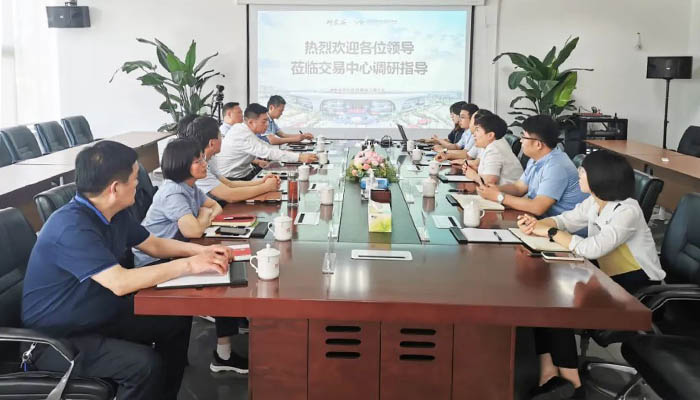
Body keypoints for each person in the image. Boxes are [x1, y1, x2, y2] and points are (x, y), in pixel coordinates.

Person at [21, 140, 234, 400]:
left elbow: (154, 245)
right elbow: (120, 282)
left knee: (175, 317)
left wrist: (200, 252)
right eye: (134, 179)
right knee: (144, 365)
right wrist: (188, 265)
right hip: (58, 338)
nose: (139, 184)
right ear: (115, 188)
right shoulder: (71, 227)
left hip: (98, 314)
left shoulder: (113, 213)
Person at [517, 150, 666, 400]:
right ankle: (548, 375)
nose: (579, 174)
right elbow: (566, 220)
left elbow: (592, 248)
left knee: (557, 307)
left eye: (583, 171)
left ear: (600, 177)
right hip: (607, 277)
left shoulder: (627, 211)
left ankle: (573, 387)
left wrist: (551, 233)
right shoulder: (595, 202)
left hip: (636, 288)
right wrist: (539, 225)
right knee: (541, 296)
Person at [134, 137, 250, 374]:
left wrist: (202, 216)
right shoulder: (172, 193)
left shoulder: (190, 186)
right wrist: (203, 216)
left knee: (222, 264)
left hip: (178, 249)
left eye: (202, 159)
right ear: (181, 165)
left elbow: (215, 207)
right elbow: (194, 230)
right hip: (153, 261)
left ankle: (227, 340)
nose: (204, 163)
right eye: (198, 161)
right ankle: (223, 355)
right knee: (219, 273)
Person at [477, 115, 588, 217]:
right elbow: (519, 188)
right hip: (541, 220)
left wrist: (499, 196)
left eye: (524, 137)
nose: (521, 141)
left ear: (538, 144)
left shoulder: (556, 166)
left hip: (561, 227)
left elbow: (537, 207)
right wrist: (495, 189)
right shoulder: (536, 159)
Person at [180, 116, 281, 201]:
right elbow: (229, 195)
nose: (222, 139)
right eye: (220, 136)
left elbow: (229, 184)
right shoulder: (197, 166)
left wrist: (262, 181)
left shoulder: (209, 159)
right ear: (212, 143)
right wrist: (266, 187)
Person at [217, 103, 318, 180]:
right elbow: (267, 152)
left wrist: (293, 154)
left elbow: (265, 146)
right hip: (233, 180)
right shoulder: (242, 133)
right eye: (264, 121)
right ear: (251, 122)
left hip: (247, 173)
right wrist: (299, 157)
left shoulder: (244, 130)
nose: (267, 124)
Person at [461, 112, 523, 185]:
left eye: (477, 130)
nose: (474, 134)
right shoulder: (491, 145)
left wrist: (472, 175)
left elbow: (489, 182)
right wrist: (475, 169)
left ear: (490, 135)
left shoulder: (494, 149)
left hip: (507, 191)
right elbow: (490, 173)